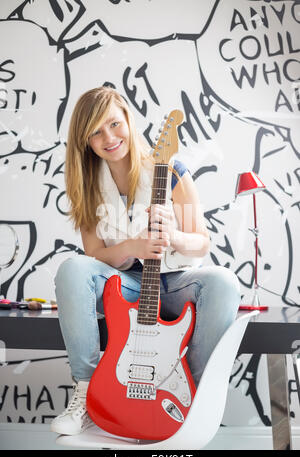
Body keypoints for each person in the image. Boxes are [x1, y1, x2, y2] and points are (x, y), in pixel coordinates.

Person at [51, 86, 240, 435]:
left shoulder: (171, 170)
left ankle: (192, 395)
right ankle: (88, 393)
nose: (108, 137)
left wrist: (175, 236)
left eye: (113, 124)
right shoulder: (87, 184)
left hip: (177, 281)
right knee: (73, 268)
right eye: (95, 132)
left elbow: (201, 243)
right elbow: (94, 254)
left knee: (224, 281)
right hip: (127, 285)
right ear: (85, 141)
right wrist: (133, 247)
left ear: (127, 117)